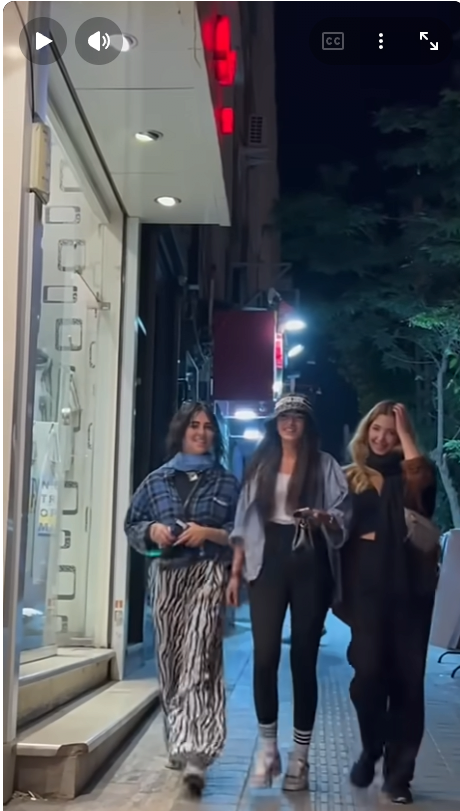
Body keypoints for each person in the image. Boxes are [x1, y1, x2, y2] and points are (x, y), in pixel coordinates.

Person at [226, 394, 351, 791]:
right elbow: (244, 522)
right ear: (275, 424)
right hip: (268, 559)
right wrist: (235, 574)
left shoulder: (325, 465)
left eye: (297, 416)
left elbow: (344, 513)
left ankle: (300, 758)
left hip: (311, 560)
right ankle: (268, 751)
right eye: (284, 416)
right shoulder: (261, 465)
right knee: (264, 656)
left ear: (307, 424)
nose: (290, 422)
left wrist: (323, 517)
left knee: (303, 659)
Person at [125, 402, 239, 794]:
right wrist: (153, 530)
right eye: (194, 425)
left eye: (208, 426)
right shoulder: (156, 481)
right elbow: (132, 524)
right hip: (167, 575)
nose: (201, 432)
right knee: (172, 661)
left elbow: (241, 532)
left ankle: (196, 754)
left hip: (209, 573)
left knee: (199, 661)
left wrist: (208, 533)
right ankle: (178, 737)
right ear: (181, 430)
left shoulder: (227, 482)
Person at [338, 401, 437, 805]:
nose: (382, 437)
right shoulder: (349, 477)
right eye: (376, 429)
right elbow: (336, 531)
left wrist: (408, 433)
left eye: (391, 432)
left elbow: (423, 491)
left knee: (408, 686)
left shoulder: (412, 477)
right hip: (365, 594)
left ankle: (399, 778)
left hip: (411, 594)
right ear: (366, 432)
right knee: (367, 678)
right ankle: (371, 747)